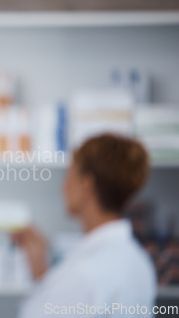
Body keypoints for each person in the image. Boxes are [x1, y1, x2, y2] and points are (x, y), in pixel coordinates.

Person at [14, 133, 156, 317]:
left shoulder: (85, 273)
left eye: (69, 175)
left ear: (86, 184)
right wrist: (41, 269)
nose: (63, 185)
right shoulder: (139, 261)